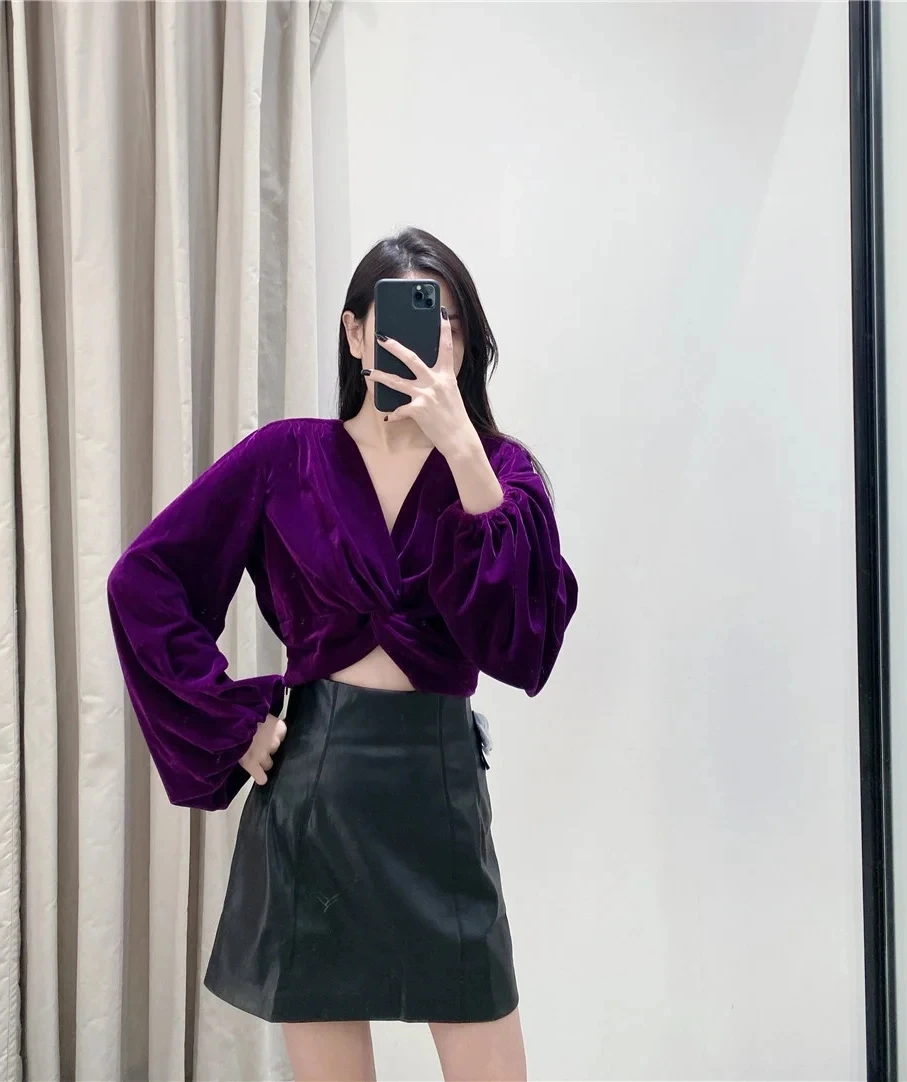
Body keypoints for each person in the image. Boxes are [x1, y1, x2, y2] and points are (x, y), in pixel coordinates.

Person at [106, 226, 578, 1082]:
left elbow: (527, 643)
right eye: (404, 319)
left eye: (448, 322)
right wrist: (232, 723)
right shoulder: (286, 458)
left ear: (466, 341)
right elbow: (144, 580)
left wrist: (463, 450)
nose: (429, 340)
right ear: (356, 334)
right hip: (316, 796)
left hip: (438, 793)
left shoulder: (502, 473)